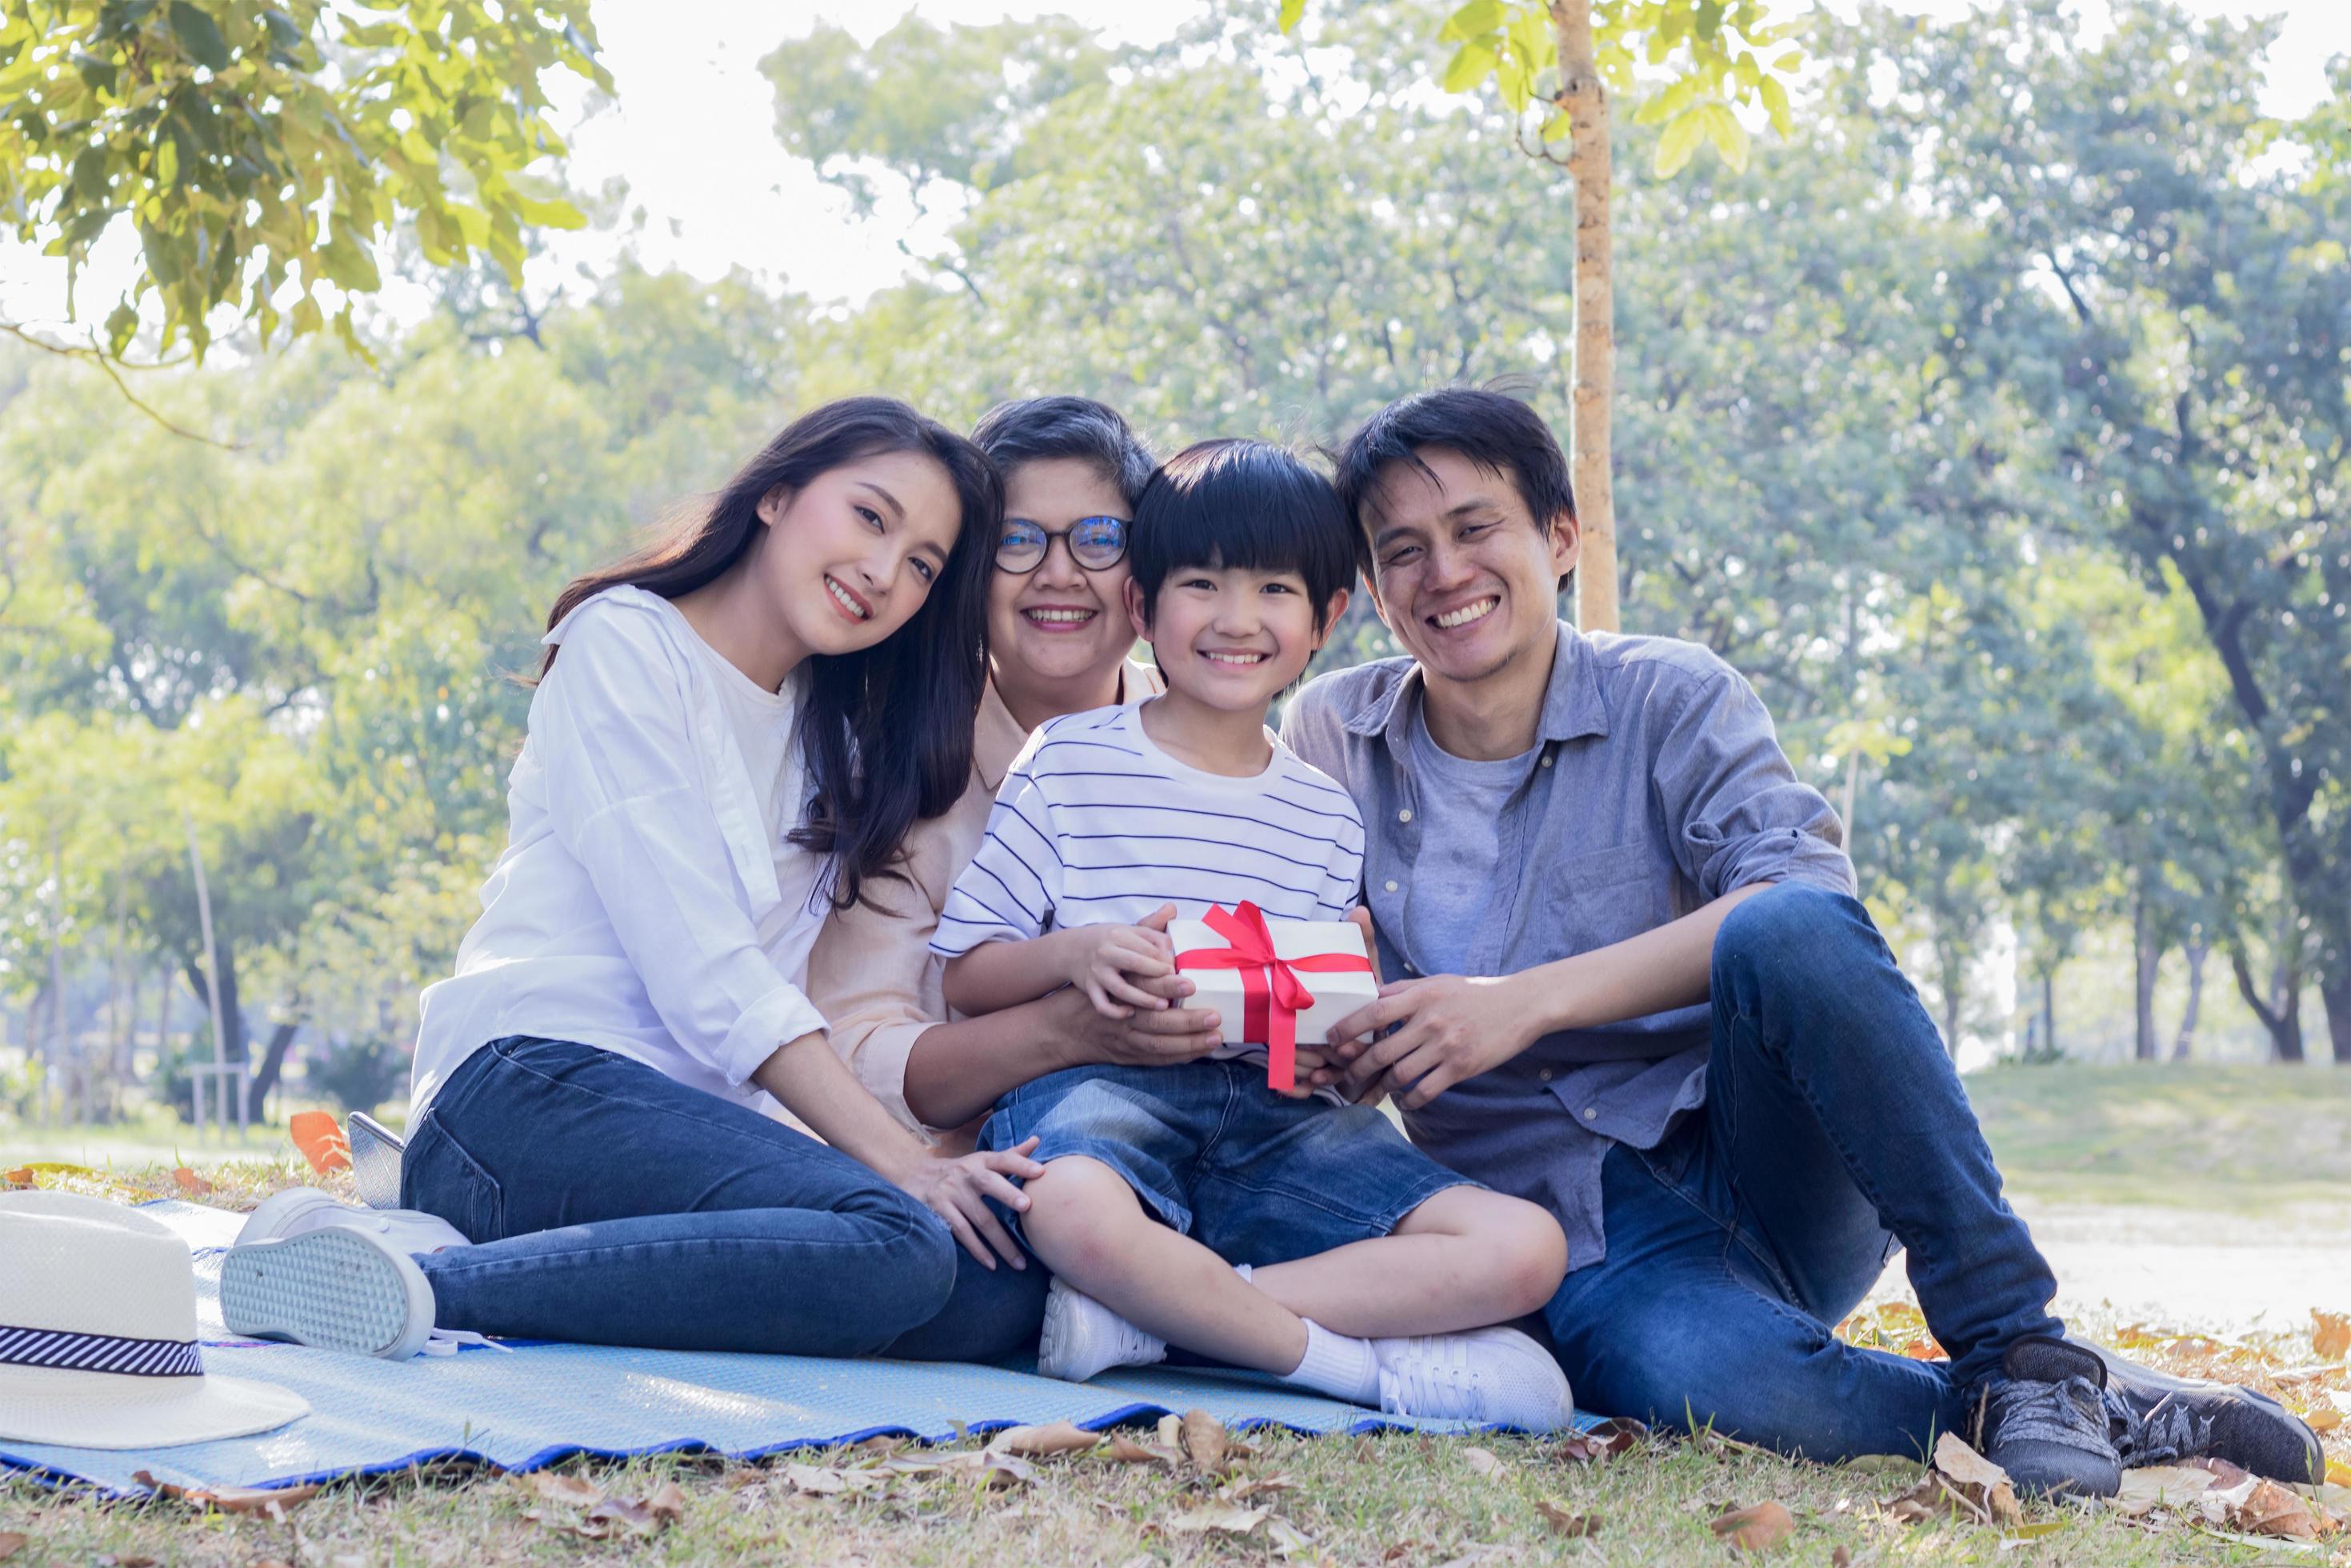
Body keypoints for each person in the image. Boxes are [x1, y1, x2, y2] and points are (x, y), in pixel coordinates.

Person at [1281, 386, 2324, 1494]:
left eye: (1473, 528)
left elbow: (1802, 894)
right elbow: (1310, 985)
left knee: (1787, 923)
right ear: (1375, 594)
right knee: (1688, 1379)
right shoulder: (1330, 739)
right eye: (1402, 550)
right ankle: (2070, 1404)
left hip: (1764, 1152)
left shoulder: (1669, 696)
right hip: (1566, 1228)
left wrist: (1522, 1002)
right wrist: (1333, 1043)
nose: (1443, 572)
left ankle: (2015, 1339)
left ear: (1557, 536)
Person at [216, 397, 1053, 1364]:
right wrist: (901, 1162)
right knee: (902, 1238)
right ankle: (398, 1281)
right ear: (777, 494)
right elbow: (707, 972)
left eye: (922, 566)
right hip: (526, 1087)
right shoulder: (624, 645)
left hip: (688, 1133)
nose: (883, 571)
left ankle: (459, 1258)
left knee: (992, 1289)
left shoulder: (842, 735)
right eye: (870, 517)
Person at [930, 439, 1577, 1430]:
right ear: (1144, 610)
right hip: (1099, 1097)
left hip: (1272, 1123)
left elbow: (1298, 1028)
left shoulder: (1324, 811)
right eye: (1200, 585)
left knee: (1522, 1244)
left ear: (1326, 619)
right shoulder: (1067, 760)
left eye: (1274, 589)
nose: (1236, 621)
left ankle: (1167, 1317)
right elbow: (964, 978)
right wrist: (1077, 954)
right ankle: (1349, 1372)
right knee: (1067, 1209)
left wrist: (1332, 1035)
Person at [805, 396, 1219, 1158]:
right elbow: (854, 1053)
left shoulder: (1222, 737)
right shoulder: (898, 762)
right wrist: (1068, 1033)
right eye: (1016, 541)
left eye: (1099, 538)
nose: (1057, 574)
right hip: (971, 1189)